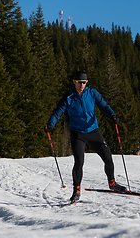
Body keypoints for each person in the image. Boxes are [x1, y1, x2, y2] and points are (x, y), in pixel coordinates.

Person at [44, 71, 126, 203]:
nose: (81, 85)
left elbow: (103, 105)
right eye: (79, 82)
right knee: (79, 162)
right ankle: (76, 191)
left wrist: (112, 115)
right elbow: (58, 111)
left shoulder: (92, 93)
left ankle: (112, 183)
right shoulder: (69, 96)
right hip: (78, 134)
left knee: (108, 158)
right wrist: (50, 124)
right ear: (74, 82)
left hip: (93, 131)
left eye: (84, 82)